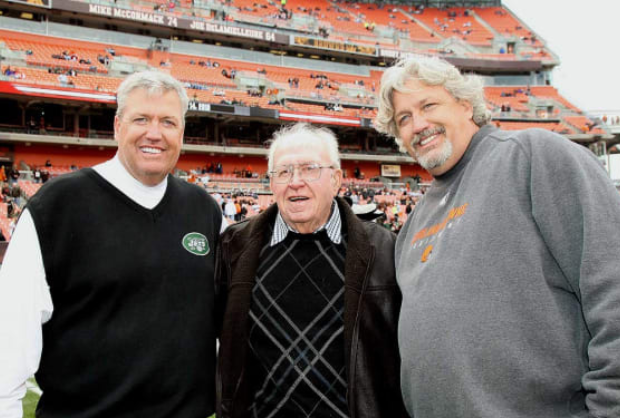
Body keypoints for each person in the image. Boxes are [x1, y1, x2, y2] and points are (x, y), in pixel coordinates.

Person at [374, 55, 620, 418]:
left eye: (428, 105)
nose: (418, 125)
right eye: (404, 119)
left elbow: (612, 286)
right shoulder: (413, 223)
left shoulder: (535, 156)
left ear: (465, 103)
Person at [0, 71, 222, 418]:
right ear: (117, 126)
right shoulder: (57, 207)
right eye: (141, 119)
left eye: (168, 121)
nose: (155, 133)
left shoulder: (205, 210)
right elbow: (8, 339)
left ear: (181, 132)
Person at [215, 123, 408, 418]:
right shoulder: (234, 246)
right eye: (284, 172)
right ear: (271, 183)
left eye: (309, 169)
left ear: (336, 179)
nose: (295, 182)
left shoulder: (384, 249)